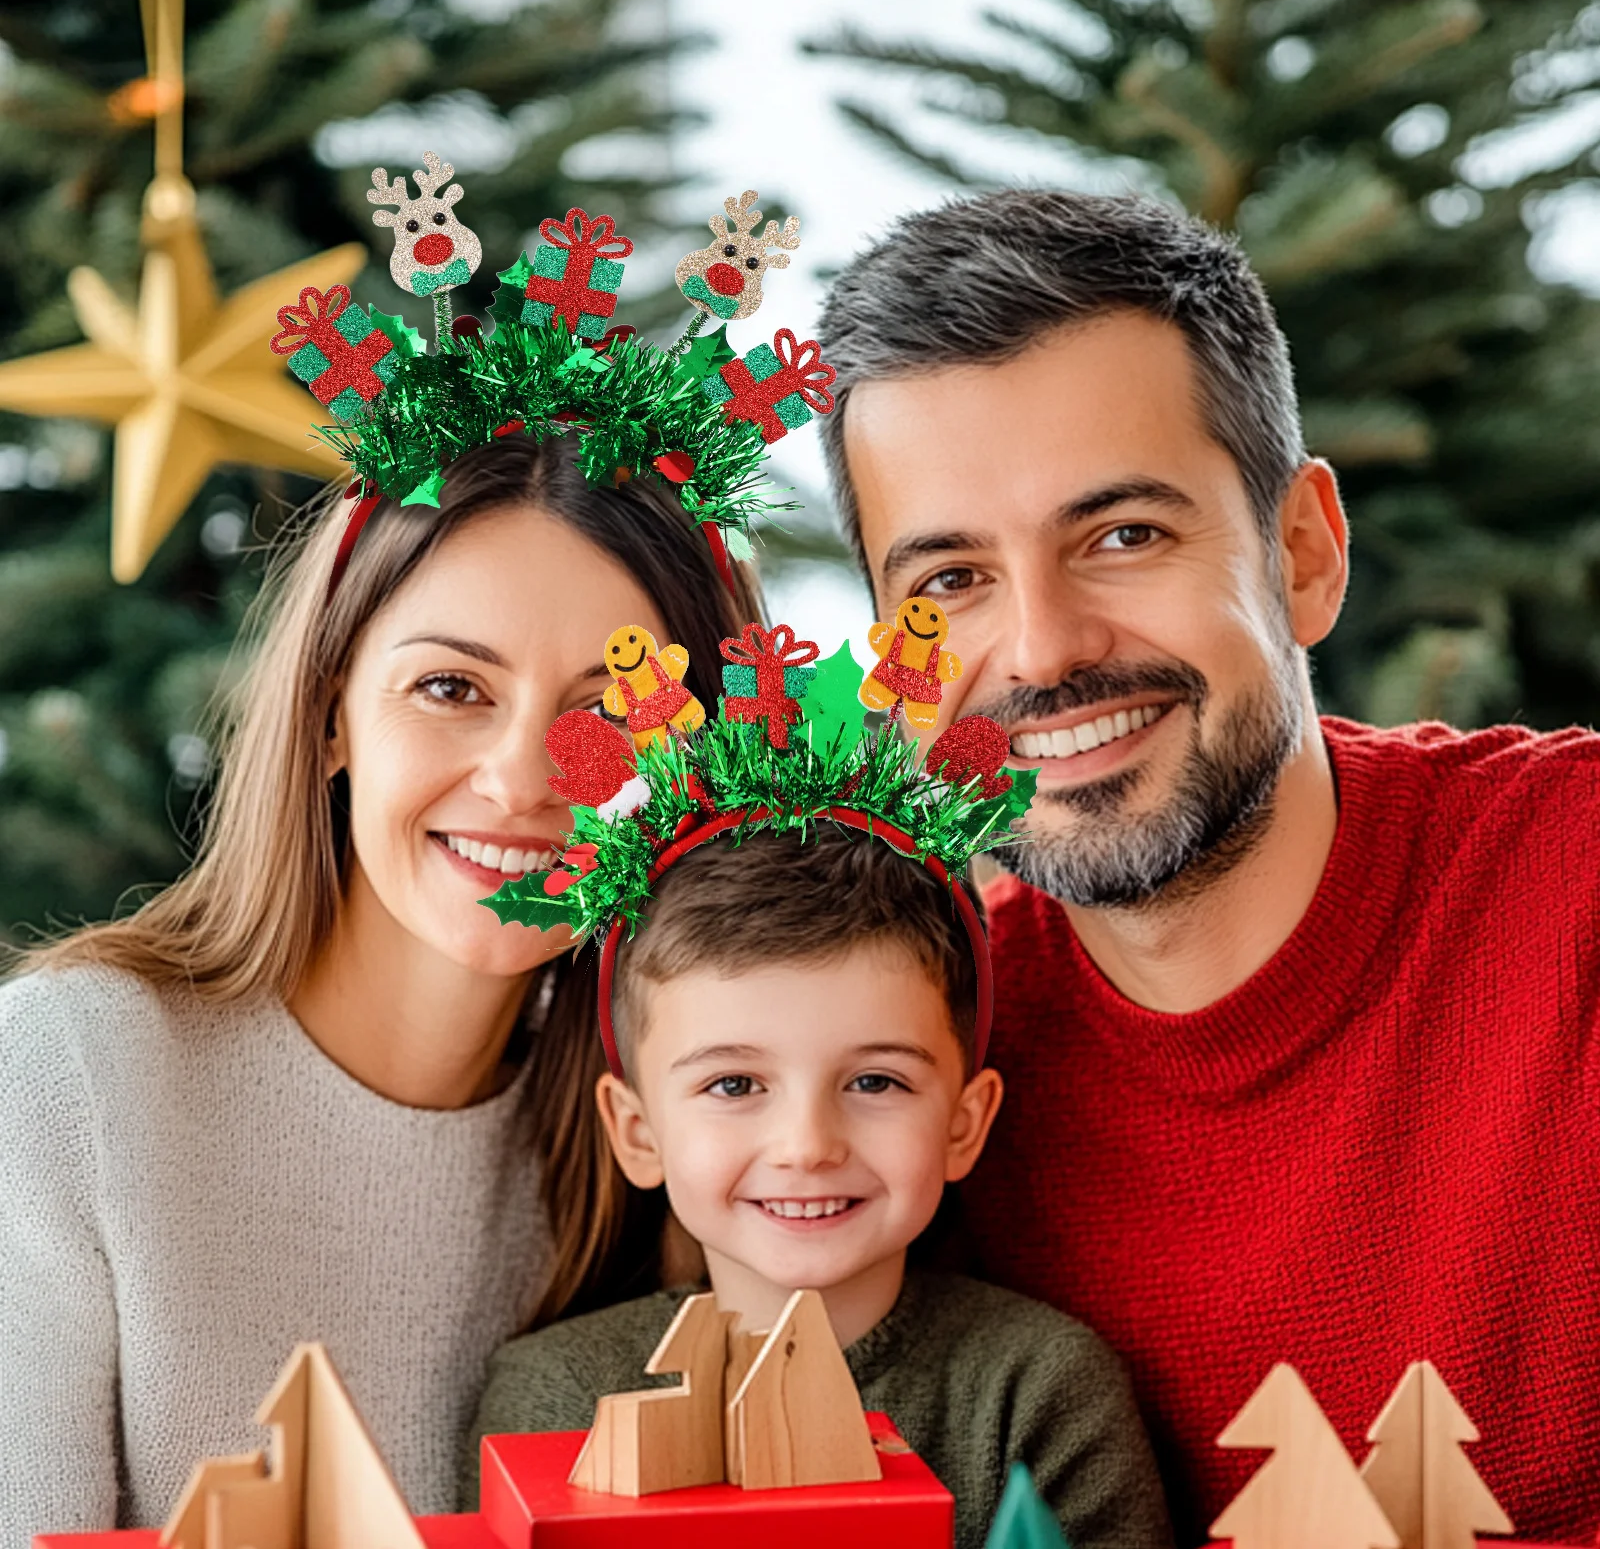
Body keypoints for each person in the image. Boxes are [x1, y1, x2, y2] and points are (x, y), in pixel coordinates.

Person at [817, 190, 1600, 1545]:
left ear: (1303, 553)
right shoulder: (896, 1073)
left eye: (1123, 535)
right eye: (948, 585)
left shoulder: (1572, 880)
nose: (1044, 650)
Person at [0, 433, 758, 1545]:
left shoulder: (674, 1142)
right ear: (328, 712)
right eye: (450, 686)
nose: (525, 778)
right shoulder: (65, 1078)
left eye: (611, 711)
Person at [466, 826, 1173, 1549]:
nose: (808, 1147)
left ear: (963, 1125)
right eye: (735, 1084)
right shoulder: (556, 1397)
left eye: (875, 1081)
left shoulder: (1039, 1393)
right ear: (639, 1134)